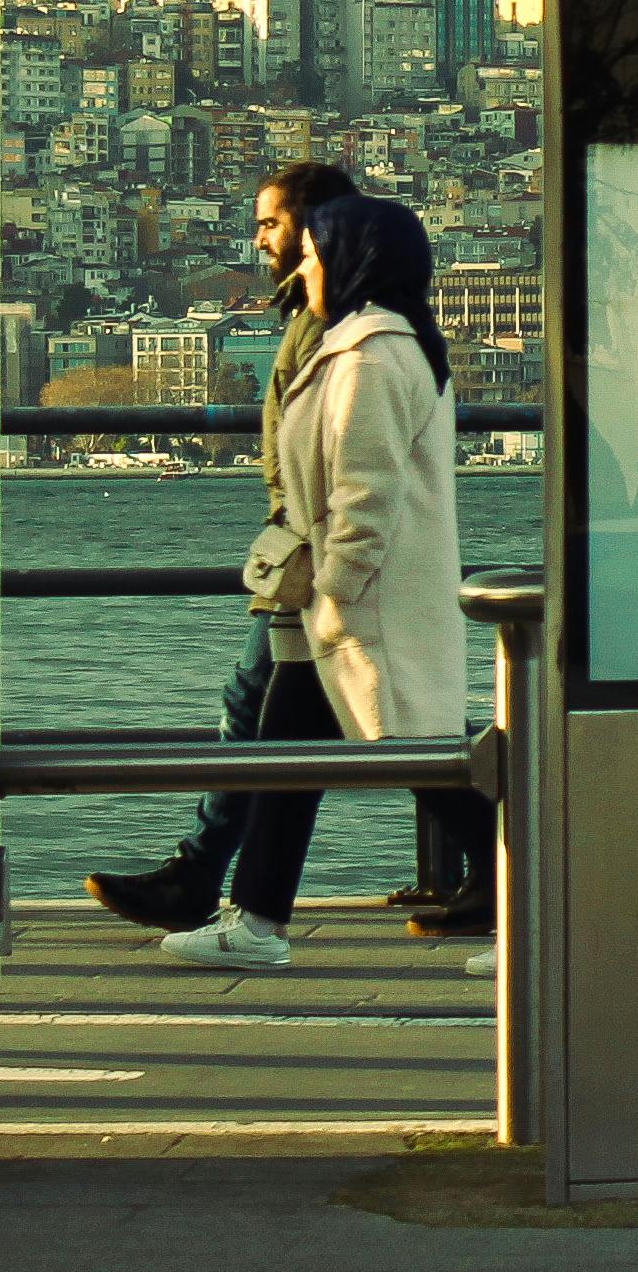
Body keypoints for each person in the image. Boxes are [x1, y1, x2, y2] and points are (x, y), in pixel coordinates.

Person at [144, 192, 461, 974]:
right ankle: (255, 919)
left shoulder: (370, 357)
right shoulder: (372, 343)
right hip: (350, 601)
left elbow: (364, 493)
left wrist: (338, 590)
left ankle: (538, 899)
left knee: (422, 763)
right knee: (302, 758)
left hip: (360, 603)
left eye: (316, 258)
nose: (303, 271)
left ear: (353, 263)